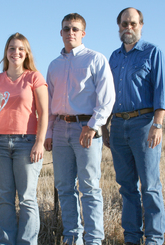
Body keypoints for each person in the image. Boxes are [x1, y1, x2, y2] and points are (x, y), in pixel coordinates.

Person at [44, 13, 115, 245]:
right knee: (64, 186)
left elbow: (107, 98)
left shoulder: (96, 59)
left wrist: (93, 126)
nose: (70, 32)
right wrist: (49, 133)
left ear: (83, 33)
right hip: (61, 130)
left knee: (89, 186)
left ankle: (94, 240)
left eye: (75, 29)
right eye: (66, 29)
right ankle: (72, 237)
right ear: (61, 33)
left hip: (86, 129)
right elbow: (50, 102)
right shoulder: (54, 65)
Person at [102, 7, 165, 245]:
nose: (128, 28)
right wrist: (105, 127)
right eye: (124, 24)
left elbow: (161, 91)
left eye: (133, 23)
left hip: (144, 124)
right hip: (118, 126)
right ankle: (131, 237)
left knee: (149, 186)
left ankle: (155, 239)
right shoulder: (114, 57)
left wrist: (157, 125)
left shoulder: (152, 52)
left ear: (141, 25)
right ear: (118, 26)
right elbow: (107, 96)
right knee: (126, 186)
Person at [0, 32, 48, 245]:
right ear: (6, 52)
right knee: (4, 200)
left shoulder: (34, 77)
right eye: (12, 48)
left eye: (21, 49)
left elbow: (44, 113)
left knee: (27, 199)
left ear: (26, 52)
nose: (16, 52)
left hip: (26, 143)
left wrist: (39, 142)